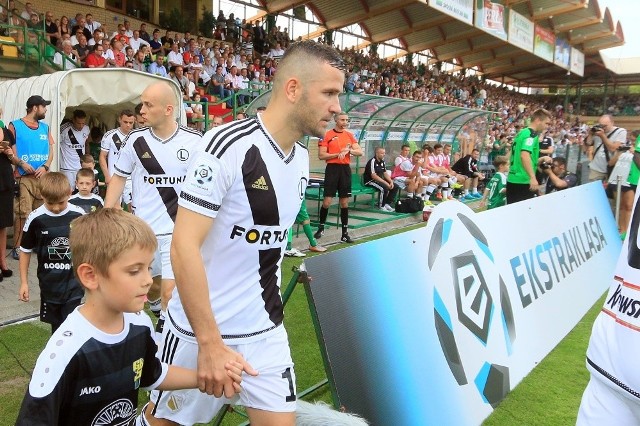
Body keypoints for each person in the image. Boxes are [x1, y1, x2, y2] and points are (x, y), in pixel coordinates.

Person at [142, 40, 345, 426]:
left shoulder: (301, 158)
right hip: (196, 333)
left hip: (264, 330)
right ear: (293, 88)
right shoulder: (227, 145)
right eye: (329, 93)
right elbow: (184, 244)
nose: (337, 107)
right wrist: (209, 343)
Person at [15, 208, 245, 425]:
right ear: (90, 275)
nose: (147, 280)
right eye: (134, 271)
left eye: (149, 268)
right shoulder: (63, 353)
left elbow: (151, 374)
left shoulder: (140, 324)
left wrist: (206, 377)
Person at [105, 82, 201, 331]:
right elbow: (118, 178)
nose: (142, 111)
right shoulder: (135, 141)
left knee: (170, 291)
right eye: (142, 104)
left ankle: (168, 338)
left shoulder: (194, 142)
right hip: (144, 232)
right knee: (154, 288)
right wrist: (106, 213)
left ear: (169, 109)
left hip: (177, 231)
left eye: (148, 105)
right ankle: (159, 316)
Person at [18, 172, 85, 333]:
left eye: (61, 202)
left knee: (73, 327)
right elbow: (25, 250)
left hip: (74, 285)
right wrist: (24, 282)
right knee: (57, 330)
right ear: (41, 195)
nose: (56, 208)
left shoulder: (79, 215)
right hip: (49, 286)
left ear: (69, 192)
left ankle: (76, 357)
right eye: (50, 203)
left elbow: (91, 246)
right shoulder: (35, 218)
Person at [8, 95, 55, 260]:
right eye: (44, 106)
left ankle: (35, 244)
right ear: (35, 107)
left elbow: (51, 151)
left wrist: (46, 166)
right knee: (23, 212)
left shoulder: (45, 127)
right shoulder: (15, 125)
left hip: (41, 177)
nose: (46, 110)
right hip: (23, 178)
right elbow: (10, 152)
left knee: (39, 213)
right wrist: (20, 163)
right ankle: (18, 247)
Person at [314, 112, 363, 243]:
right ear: (336, 121)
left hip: (345, 170)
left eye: (347, 120)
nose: (345, 122)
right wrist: (337, 154)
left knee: (344, 203)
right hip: (332, 169)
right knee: (327, 202)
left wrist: (349, 151)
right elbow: (321, 155)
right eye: (342, 120)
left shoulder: (349, 135)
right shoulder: (327, 135)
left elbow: (360, 151)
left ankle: (345, 233)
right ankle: (321, 228)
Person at [506, 108, 553, 204]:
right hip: (522, 180)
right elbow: (524, 155)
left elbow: (520, 157)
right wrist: (532, 177)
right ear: (538, 120)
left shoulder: (522, 132)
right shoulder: (531, 135)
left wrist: (541, 159)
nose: (547, 127)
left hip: (512, 179)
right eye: (546, 123)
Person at [100, 109, 135, 206]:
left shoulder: (135, 136)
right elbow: (102, 157)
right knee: (115, 210)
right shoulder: (110, 135)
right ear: (120, 120)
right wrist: (107, 176)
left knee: (133, 207)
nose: (128, 125)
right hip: (114, 177)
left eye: (130, 122)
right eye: (125, 122)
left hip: (130, 179)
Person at [585, 114, 627, 182]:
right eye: (601, 125)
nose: (603, 127)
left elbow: (613, 149)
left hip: (611, 168)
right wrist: (590, 134)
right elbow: (588, 143)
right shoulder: (597, 131)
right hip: (596, 168)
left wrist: (602, 136)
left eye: (605, 125)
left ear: (612, 123)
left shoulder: (621, 131)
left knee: (609, 191)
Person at [59, 109, 90, 189]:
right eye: (78, 123)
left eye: (83, 123)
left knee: (81, 191)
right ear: (73, 120)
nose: (81, 126)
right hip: (67, 168)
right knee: (68, 192)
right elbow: (54, 145)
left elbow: (86, 143)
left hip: (80, 167)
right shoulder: (64, 129)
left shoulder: (86, 129)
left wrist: (88, 159)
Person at [363, 146, 398, 211]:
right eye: (382, 153)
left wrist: (391, 181)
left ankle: (387, 203)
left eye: (384, 153)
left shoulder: (382, 162)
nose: (384, 154)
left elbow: (385, 173)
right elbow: (373, 176)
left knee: (395, 186)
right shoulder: (372, 161)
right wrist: (385, 183)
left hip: (379, 180)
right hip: (370, 181)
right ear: (377, 153)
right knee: (384, 188)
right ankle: (381, 206)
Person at [0, 123, 14, 279]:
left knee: (2, 224)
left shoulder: (6, 132)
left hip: (5, 181)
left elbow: (14, 159)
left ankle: (3, 262)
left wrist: (9, 153)